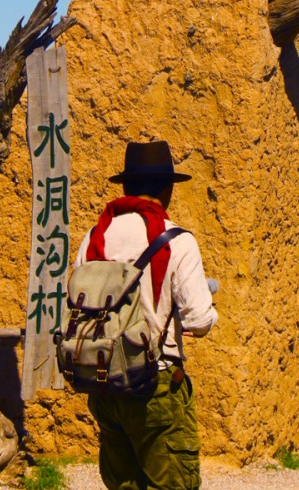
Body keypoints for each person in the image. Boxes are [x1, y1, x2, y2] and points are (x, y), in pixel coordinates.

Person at [75, 140, 218, 490]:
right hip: (155, 384)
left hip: (106, 385)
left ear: (125, 187)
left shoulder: (94, 237)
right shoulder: (178, 241)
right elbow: (199, 321)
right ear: (168, 189)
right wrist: (210, 305)